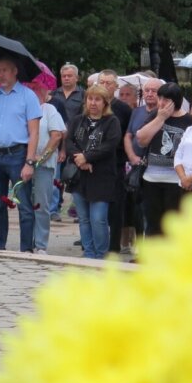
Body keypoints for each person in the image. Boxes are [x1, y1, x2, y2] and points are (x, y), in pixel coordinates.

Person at [0, 57, 41, 252]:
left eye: (5, 70)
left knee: (24, 205)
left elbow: (34, 132)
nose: (1, 74)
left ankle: (26, 248)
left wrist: (29, 161)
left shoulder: (27, 96)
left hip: (17, 154)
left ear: (15, 71)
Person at [64, 85, 122, 259]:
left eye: (97, 99)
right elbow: (69, 143)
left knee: (98, 219)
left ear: (105, 103)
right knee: (84, 218)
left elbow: (110, 145)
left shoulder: (112, 122)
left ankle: (101, 254)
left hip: (102, 177)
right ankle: (89, 253)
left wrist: (87, 158)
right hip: (79, 177)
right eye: (90, 99)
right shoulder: (77, 120)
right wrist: (80, 160)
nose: (93, 103)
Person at [136, 82, 192, 236]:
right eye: (160, 98)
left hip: (176, 179)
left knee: (172, 224)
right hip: (151, 178)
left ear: (175, 101)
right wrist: (160, 118)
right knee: (152, 222)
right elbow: (141, 139)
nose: (161, 102)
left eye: (166, 100)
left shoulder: (189, 120)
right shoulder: (155, 115)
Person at [26, 81, 65, 254]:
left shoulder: (49, 110)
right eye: (31, 88)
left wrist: (40, 158)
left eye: (37, 87)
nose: (34, 91)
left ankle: (40, 244)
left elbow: (56, 135)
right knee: (25, 204)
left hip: (43, 165)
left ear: (45, 90)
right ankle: (26, 241)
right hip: (23, 162)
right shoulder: (23, 109)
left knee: (41, 204)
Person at [98, 70, 133, 255]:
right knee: (97, 207)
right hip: (94, 163)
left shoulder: (124, 109)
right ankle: (97, 244)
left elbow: (128, 136)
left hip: (116, 162)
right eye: (101, 82)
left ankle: (113, 246)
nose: (105, 85)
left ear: (115, 86)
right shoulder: (92, 105)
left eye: (109, 83)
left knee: (116, 205)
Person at [124, 78, 161, 238]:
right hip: (135, 166)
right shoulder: (137, 112)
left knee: (151, 209)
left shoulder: (163, 113)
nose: (150, 94)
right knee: (136, 208)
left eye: (154, 91)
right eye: (147, 90)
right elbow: (128, 135)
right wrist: (132, 156)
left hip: (155, 167)